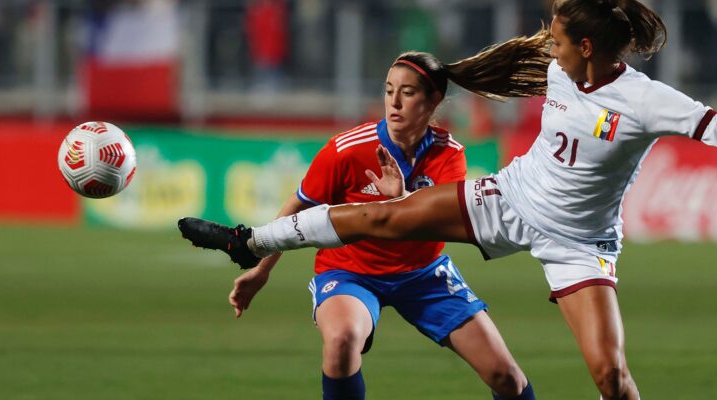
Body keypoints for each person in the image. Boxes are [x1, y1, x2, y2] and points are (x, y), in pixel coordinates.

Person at [180, 1, 717, 398]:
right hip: (512, 198)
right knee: (384, 215)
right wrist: (448, 73)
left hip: (580, 243)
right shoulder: (564, 67)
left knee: (611, 374)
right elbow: (515, 59)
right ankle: (246, 240)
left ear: (589, 47)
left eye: (560, 37)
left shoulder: (646, 99)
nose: (550, 43)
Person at [183, 33, 553, 400]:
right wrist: (261, 270)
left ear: (433, 100)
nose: (393, 102)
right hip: (350, 272)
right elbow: (299, 208)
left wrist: (404, 198)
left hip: (423, 275)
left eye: (407, 93)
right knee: (342, 343)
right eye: (388, 90)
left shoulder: (449, 154)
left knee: (507, 377)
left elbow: (442, 220)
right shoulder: (346, 150)